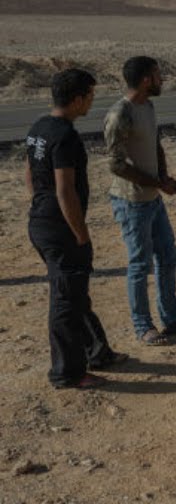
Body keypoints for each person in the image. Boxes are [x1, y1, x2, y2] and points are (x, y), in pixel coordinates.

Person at [25, 68, 126, 389]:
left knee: (74, 294)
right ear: (78, 98)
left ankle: (97, 351)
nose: (92, 102)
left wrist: (40, 206)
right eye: (91, 96)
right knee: (66, 302)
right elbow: (65, 190)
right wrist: (80, 233)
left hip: (41, 222)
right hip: (61, 229)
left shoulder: (39, 127)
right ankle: (67, 373)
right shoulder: (65, 136)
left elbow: (28, 174)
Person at [104, 56, 176, 346]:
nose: (161, 80)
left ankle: (170, 319)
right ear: (146, 80)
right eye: (158, 75)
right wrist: (158, 183)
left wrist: (165, 179)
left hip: (153, 198)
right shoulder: (121, 114)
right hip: (131, 202)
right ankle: (143, 327)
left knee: (168, 256)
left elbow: (155, 144)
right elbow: (116, 165)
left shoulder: (148, 106)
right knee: (139, 265)